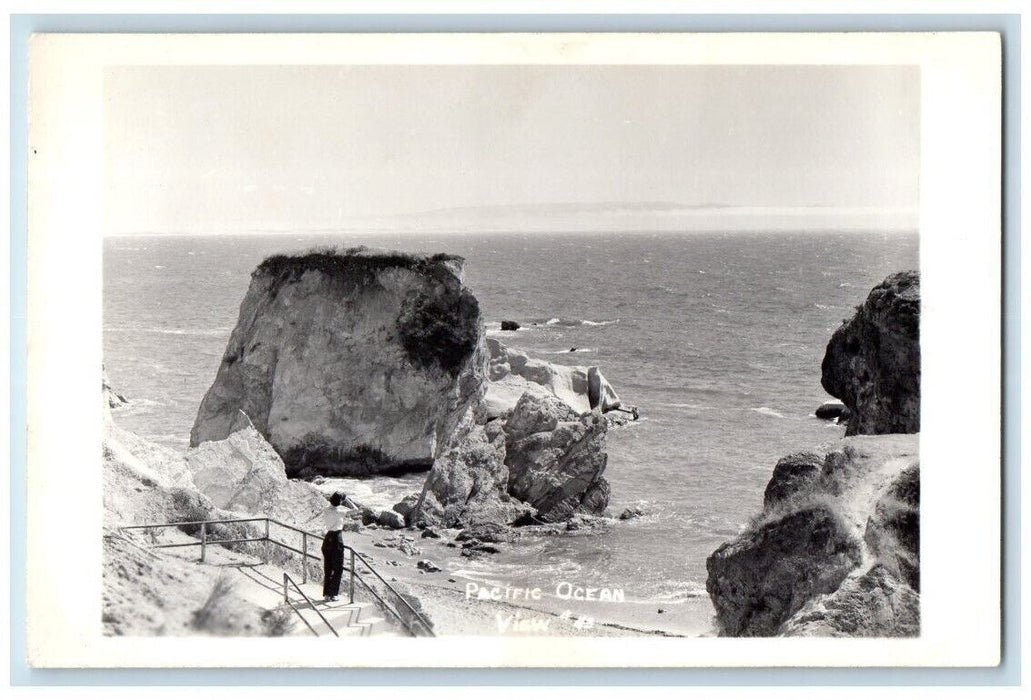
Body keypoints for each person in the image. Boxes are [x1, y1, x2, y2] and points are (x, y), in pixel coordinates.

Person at [321, 492, 350, 602]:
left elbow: (331, 506)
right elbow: (356, 509)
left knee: (328, 568)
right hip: (337, 539)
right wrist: (347, 500)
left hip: (327, 538)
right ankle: (333, 594)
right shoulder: (340, 511)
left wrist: (339, 501)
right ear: (340, 502)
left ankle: (326, 594)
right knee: (338, 568)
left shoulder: (326, 510)